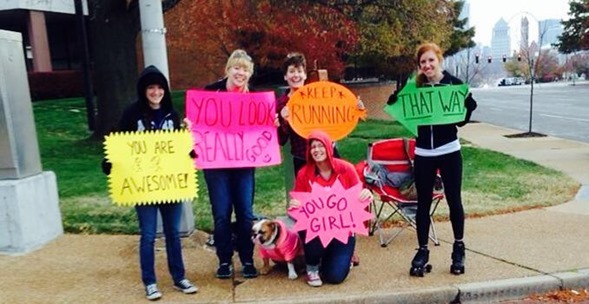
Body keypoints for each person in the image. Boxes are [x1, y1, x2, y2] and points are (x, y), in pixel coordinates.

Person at [101, 65, 197, 300]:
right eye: (151, 88)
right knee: (148, 234)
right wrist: (110, 162)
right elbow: (119, 144)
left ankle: (179, 277)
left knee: (173, 233)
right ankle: (150, 282)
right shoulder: (131, 114)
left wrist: (189, 151)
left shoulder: (172, 115)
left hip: (170, 184)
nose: (156, 92)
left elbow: (177, 149)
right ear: (143, 90)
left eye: (160, 87)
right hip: (143, 186)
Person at [388, 42, 477, 277]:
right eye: (422, 62)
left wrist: (467, 102)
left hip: (449, 149)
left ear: (439, 60)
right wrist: (401, 92)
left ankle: (459, 246)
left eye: (430, 60)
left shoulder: (453, 85)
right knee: (423, 203)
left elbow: (462, 119)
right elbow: (394, 105)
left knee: (454, 199)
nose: (427, 65)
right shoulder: (414, 87)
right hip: (424, 153)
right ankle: (423, 249)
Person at [276, 52, 363, 266]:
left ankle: (347, 245)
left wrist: (356, 110)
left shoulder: (320, 95)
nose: (296, 75)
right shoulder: (282, 103)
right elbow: (280, 139)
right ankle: (314, 250)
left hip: (330, 157)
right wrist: (283, 120)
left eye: (299, 71)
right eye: (291, 72)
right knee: (311, 206)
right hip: (302, 159)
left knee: (342, 202)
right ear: (285, 77)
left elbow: (341, 116)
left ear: (305, 74)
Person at [287, 130, 373, 287]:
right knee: (310, 232)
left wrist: (365, 194)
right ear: (309, 150)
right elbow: (298, 206)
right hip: (316, 231)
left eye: (321, 145)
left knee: (334, 277)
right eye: (313, 147)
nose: (317, 150)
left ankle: (335, 259)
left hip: (342, 230)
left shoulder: (345, 168)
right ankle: (312, 266)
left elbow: (358, 196)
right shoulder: (304, 173)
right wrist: (295, 205)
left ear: (329, 147)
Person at [201, 49, 259, 279]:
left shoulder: (255, 99)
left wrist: (271, 123)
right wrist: (191, 125)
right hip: (216, 164)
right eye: (236, 67)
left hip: (244, 165)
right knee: (222, 213)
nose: (240, 72)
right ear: (227, 70)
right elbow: (199, 124)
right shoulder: (209, 93)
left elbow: (261, 131)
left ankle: (247, 259)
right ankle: (224, 260)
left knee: (245, 213)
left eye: (245, 69)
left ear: (250, 74)